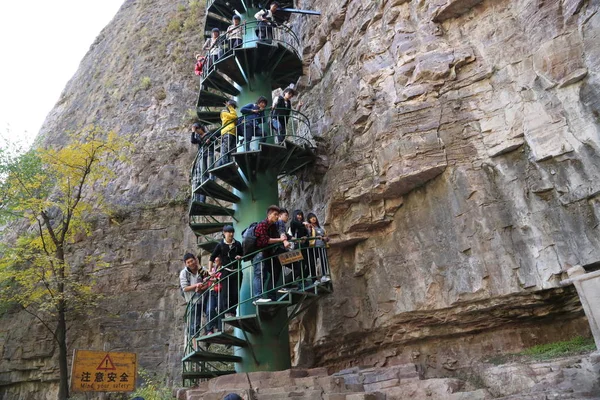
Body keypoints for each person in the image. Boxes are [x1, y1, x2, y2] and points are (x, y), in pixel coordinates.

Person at [252, 205, 290, 302]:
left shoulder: (272, 226)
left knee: (264, 276)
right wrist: (280, 240)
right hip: (258, 253)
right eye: (275, 214)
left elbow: (280, 234)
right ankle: (257, 297)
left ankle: (266, 296)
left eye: (278, 215)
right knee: (259, 275)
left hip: (265, 254)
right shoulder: (262, 224)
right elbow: (265, 240)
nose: (277, 217)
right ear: (269, 215)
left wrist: (285, 238)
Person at [209, 225, 243, 317]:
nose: (231, 234)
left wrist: (240, 257)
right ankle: (227, 312)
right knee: (226, 293)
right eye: (228, 232)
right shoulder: (220, 245)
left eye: (232, 232)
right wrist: (210, 271)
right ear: (224, 233)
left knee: (235, 292)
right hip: (226, 271)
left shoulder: (237, 244)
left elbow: (242, 254)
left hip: (236, 270)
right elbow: (212, 258)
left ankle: (233, 312)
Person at [180, 253, 210, 347]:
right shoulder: (184, 273)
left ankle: (210, 333)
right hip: (192, 301)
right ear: (185, 264)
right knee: (194, 324)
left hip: (203, 298)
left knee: (210, 313)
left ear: (195, 260)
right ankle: (194, 346)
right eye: (188, 262)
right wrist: (196, 286)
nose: (191, 263)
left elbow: (208, 281)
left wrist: (202, 287)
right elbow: (184, 288)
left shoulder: (202, 270)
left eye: (192, 261)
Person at [191, 123, 215, 202]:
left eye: (197, 130)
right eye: (196, 131)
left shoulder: (209, 134)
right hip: (202, 155)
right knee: (203, 175)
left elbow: (216, 142)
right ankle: (202, 198)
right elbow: (193, 140)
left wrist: (210, 141)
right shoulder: (198, 137)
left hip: (209, 153)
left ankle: (211, 182)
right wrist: (193, 132)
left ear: (200, 128)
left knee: (210, 170)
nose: (197, 132)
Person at [306, 213, 331, 284]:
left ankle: (324, 276)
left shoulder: (320, 227)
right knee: (313, 263)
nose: (313, 218)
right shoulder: (310, 227)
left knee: (324, 261)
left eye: (314, 217)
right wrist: (309, 228)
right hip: (315, 246)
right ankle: (314, 279)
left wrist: (326, 238)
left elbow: (326, 236)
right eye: (311, 218)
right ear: (309, 220)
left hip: (323, 246)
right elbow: (309, 235)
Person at [205, 257, 223, 335]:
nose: (215, 260)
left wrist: (211, 279)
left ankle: (220, 329)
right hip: (212, 291)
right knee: (209, 310)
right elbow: (204, 275)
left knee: (220, 309)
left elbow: (222, 278)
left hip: (220, 290)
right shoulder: (213, 269)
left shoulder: (224, 267)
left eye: (217, 258)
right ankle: (209, 330)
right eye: (215, 258)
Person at [220, 100, 238, 164]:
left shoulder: (232, 113)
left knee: (233, 151)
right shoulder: (224, 112)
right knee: (225, 149)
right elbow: (235, 117)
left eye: (233, 106)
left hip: (233, 133)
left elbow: (235, 119)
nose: (232, 107)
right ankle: (224, 164)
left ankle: (231, 164)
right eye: (231, 106)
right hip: (227, 132)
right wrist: (230, 107)